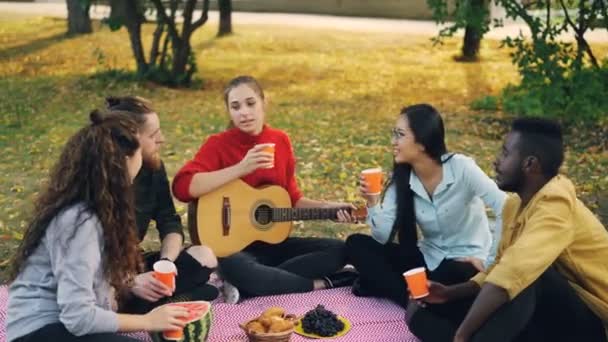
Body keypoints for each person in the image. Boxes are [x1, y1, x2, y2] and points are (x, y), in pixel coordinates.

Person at [410, 118, 608, 341]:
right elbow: (499, 267)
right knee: (452, 276)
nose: (496, 162)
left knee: (529, 277)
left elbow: (513, 272)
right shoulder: (515, 205)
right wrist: (448, 293)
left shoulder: (557, 203)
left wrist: (462, 334)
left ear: (529, 164)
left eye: (505, 154)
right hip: (552, 315)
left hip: (596, 324)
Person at [172, 75, 357, 303]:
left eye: (250, 103)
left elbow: (292, 199)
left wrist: (330, 209)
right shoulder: (218, 144)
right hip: (233, 251)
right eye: (235, 106)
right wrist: (242, 168)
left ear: (263, 102)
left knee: (339, 249)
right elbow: (182, 187)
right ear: (229, 111)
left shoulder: (280, 140)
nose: (244, 112)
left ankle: (259, 282)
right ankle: (318, 284)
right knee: (236, 266)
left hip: (273, 246)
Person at [7, 111, 189, 342]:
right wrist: (148, 321)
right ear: (123, 162)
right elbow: (79, 318)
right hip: (40, 332)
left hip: (61, 326)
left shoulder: (98, 209)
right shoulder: (80, 221)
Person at [346, 104, 506, 308]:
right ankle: (412, 301)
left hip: (465, 262)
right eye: (393, 134)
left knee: (451, 274)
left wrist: (490, 263)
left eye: (400, 135)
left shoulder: (461, 168)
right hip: (427, 258)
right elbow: (382, 237)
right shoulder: (403, 179)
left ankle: (401, 292)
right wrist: (372, 201)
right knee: (356, 244)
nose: (393, 142)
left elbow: (504, 206)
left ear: (422, 141)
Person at [105, 96, 218, 311]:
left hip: (134, 265)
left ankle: (159, 300)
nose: (162, 140)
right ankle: (168, 301)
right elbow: (92, 263)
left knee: (205, 256)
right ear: (131, 139)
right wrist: (129, 283)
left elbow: (170, 222)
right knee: (109, 302)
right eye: (154, 135)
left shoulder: (152, 168)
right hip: (104, 278)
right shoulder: (101, 183)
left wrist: (165, 264)